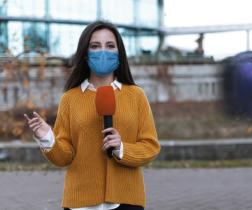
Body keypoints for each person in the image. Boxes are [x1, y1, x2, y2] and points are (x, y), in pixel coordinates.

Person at [24, 20, 160, 210]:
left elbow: (150, 146)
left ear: (119, 52)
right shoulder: (70, 99)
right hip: (79, 202)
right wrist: (47, 138)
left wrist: (121, 148)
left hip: (127, 200)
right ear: (85, 54)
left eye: (110, 46)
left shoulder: (136, 96)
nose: (103, 51)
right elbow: (64, 157)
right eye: (95, 46)